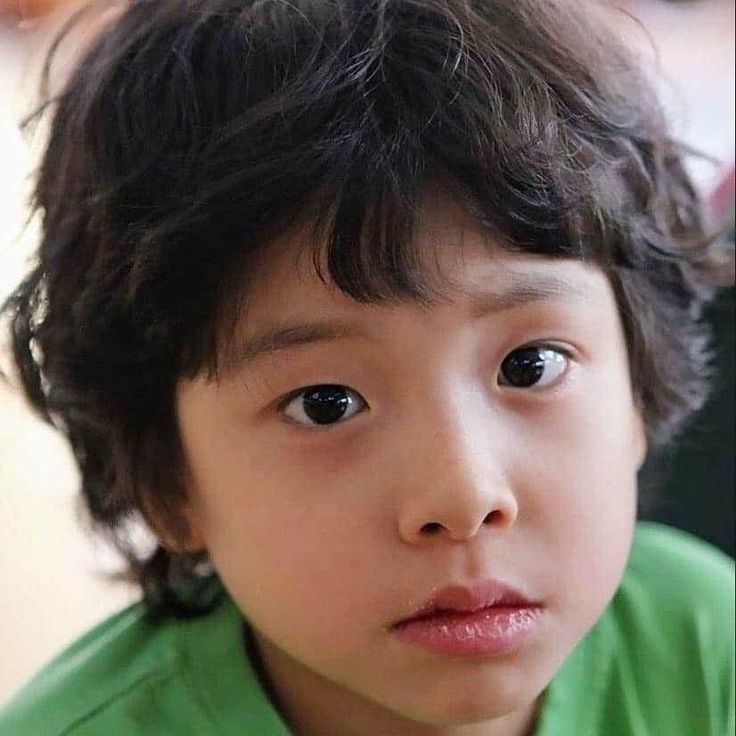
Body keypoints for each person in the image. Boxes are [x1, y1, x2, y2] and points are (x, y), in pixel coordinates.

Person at [0, 0, 733, 734]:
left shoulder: (706, 647)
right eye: (325, 403)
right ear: (166, 479)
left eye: (531, 365)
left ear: (637, 387)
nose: (464, 494)